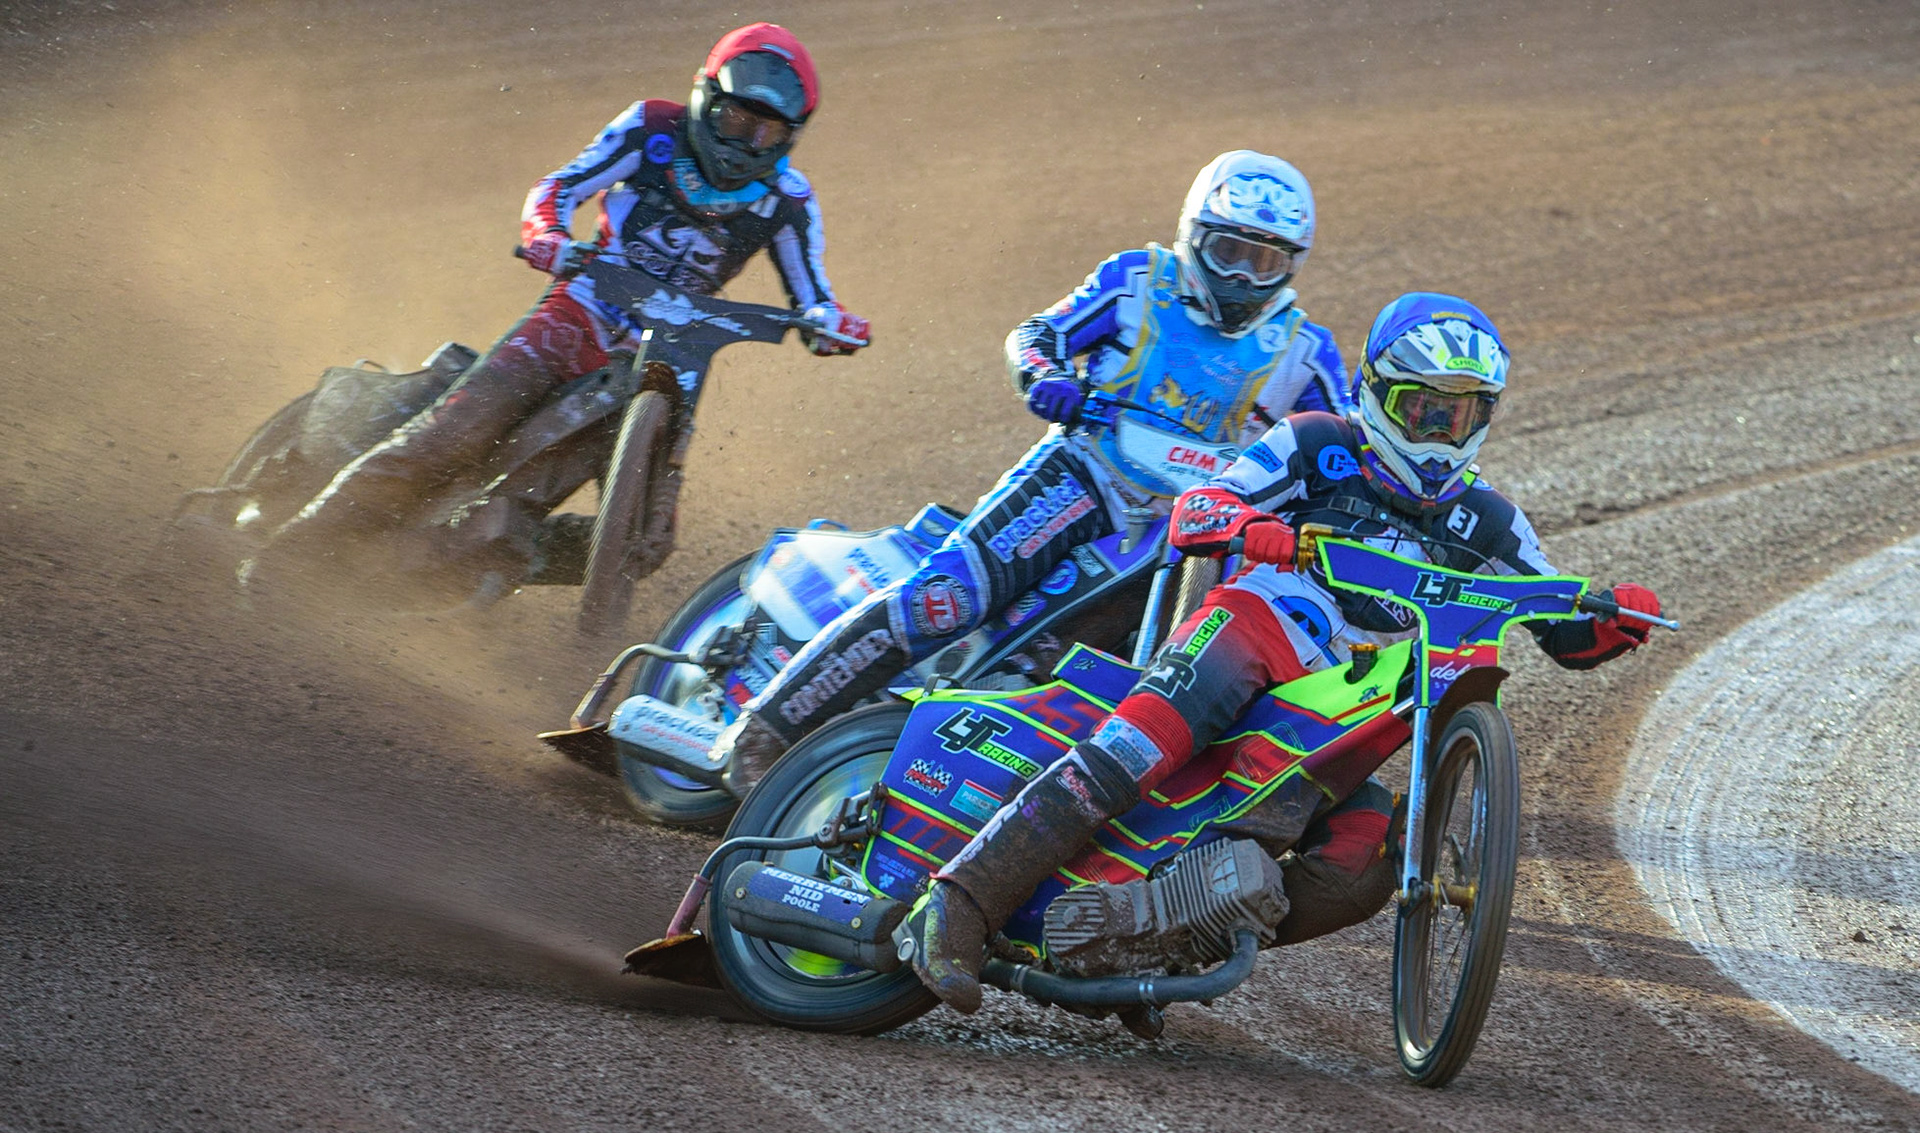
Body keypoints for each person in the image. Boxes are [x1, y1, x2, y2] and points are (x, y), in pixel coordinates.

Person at [896, 292, 1665, 1013]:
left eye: (1463, 414)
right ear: (1376, 392)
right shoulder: (1316, 442)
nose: (1440, 432)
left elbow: (1564, 624)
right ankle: (954, 904)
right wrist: (1255, 529)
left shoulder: (1489, 521)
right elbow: (1199, 506)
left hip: (1336, 694)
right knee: (1129, 752)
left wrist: (1618, 616)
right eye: (1422, 408)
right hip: (1250, 627)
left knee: (1366, 862)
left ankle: (1154, 939)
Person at [712, 150, 1351, 790]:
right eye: (1228, 252)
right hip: (1086, 475)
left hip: (1200, 529)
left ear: (1290, 265)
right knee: (949, 597)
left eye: (1263, 260)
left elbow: (1345, 453)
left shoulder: (1305, 351)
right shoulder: (1139, 280)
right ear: (1194, 236)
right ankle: (766, 728)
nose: (1241, 276)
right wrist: (1045, 376)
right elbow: (1037, 334)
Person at [267, 22, 869, 574]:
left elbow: (814, 293)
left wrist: (830, 323)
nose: (746, 141)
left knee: (646, 543)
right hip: (581, 310)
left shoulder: (788, 200)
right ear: (705, 99)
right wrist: (547, 237)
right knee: (450, 436)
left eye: (766, 130)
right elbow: (560, 185)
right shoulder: (652, 128)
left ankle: (485, 562)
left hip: (670, 360)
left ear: (791, 135)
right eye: (737, 120)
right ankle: (287, 555)